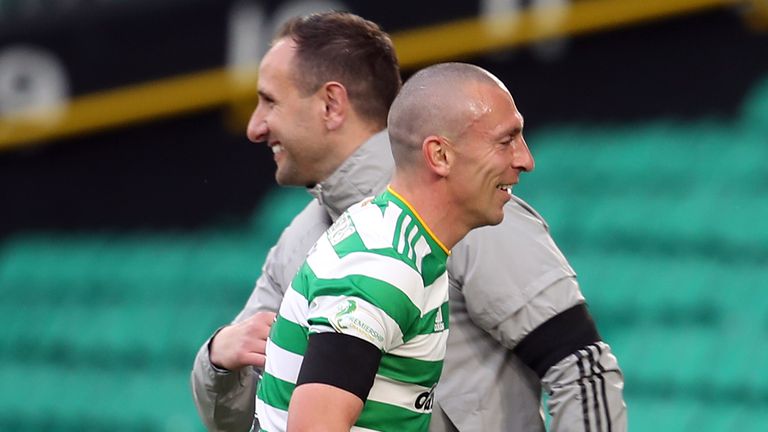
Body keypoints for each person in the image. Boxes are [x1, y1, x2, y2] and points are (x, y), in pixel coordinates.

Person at [191, 11, 627, 432]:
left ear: (331, 105)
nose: (254, 127)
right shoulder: (303, 242)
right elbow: (245, 418)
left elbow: (579, 364)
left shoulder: (472, 207)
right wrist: (217, 358)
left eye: (269, 101)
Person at [257, 61, 530, 432]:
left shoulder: (399, 240)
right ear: (440, 156)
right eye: (506, 141)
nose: (524, 160)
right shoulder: (381, 265)